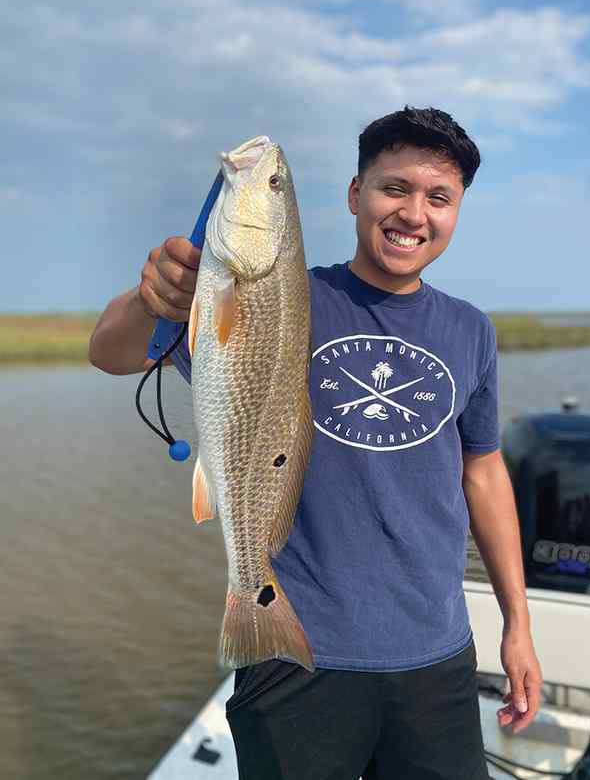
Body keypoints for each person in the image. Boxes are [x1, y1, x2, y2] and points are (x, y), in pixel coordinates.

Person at [90, 106, 543, 779]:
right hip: (295, 648)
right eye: (394, 188)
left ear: (456, 212)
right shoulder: (284, 297)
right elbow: (110, 353)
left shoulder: (471, 330)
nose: (413, 212)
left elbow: (483, 471)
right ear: (357, 195)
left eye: (438, 197)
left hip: (436, 656)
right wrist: (152, 299)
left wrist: (518, 623)